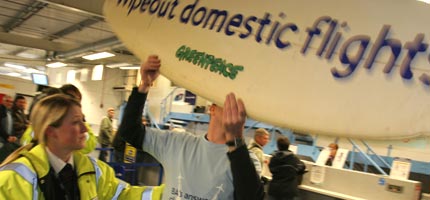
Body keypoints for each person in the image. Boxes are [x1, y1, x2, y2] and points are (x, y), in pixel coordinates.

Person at [118, 55, 264, 200]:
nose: (235, 108)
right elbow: (130, 131)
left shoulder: (246, 159)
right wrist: (144, 85)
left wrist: (236, 140)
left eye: (240, 106)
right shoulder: (178, 143)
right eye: (228, 102)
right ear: (211, 109)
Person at [0, 94, 164, 199]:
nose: (85, 129)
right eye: (75, 122)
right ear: (51, 131)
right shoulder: (14, 179)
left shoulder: (94, 170)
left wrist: (169, 194)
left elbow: (124, 195)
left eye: (83, 121)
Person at [21, 84, 97, 154]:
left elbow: (89, 146)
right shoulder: (41, 123)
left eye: (76, 101)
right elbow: (26, 143)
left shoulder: (80, 125)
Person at [0, 95, 19, 162]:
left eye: (11, 102)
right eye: (7, 101)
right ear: (2, 101)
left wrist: (12, 136)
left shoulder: (9, 112)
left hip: (5, 140)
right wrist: (7, 137)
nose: (9, 103)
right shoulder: (1, 110)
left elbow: (10, 126)